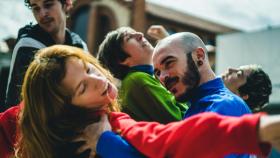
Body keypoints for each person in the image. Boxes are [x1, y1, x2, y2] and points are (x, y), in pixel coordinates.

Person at [1, 45, 279, 158]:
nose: (98, 80)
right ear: (65, 106)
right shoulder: (34, 132)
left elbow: (170, 137)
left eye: (88, 68)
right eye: (83, 87)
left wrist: (255, 131)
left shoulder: (111, 121)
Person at [153, 32, 252, 158]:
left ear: (199, 56)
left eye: (169, 63)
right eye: (157, 72)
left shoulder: (223, 106)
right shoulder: (200, 106)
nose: (162, 77)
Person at [4, 0, 88, 109]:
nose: (42, 14)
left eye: (48, 5)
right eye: (36, 8)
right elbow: (34, 107)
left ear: (67, 4)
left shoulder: (80, 46)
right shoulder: (28, 46)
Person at [97, 27, 187, 123]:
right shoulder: (137, 80)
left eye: (135, 32)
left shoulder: (146, 77)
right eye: (129, 37)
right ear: (122, 60)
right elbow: (181, 120)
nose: (140, 34)